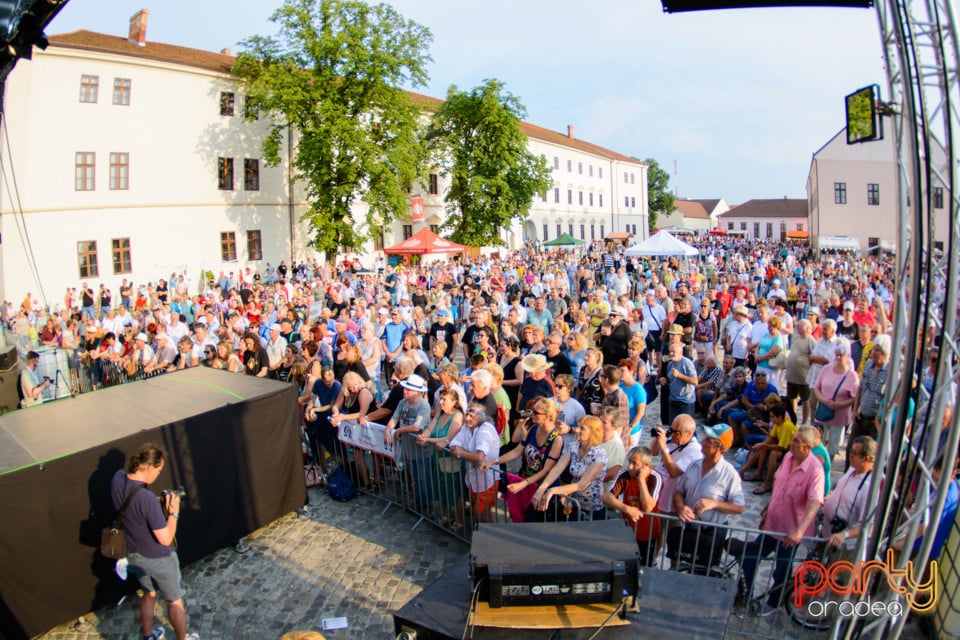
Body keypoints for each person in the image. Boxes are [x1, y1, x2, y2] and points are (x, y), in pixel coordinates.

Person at [729, 426, 824, 615]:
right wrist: (768, 508)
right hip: (772, 524)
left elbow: (815, 502)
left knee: (782, 569)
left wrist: (800, 530)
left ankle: (775, 602)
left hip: (790, 531)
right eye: (793, 439)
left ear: (808, 447)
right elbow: (779, 484)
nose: (792, 444)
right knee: (750, 557)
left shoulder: (815, 470)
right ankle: (744, 595)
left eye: (797, 441)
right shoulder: (788, 458)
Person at [111, 443, 200, 640]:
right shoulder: (147, 499)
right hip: (158, 559)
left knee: (149, 594)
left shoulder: (117, 478)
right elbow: (166, 538)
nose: (158, 475)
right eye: (159, 470)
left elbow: (132, 508)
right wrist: (174, 511)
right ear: (150, 467)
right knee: (175, 602)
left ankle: (148, 635)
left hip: (132, 555)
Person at [668, 424, 745, 572]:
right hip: (690, 529)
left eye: (709, 441)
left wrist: (714, 503)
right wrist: (680, 506)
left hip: (711, 533)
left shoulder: (729, 474)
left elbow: (739, 507)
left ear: (719, 448)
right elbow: (679, 491)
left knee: (704, 573)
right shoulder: (694, 465)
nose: (702, 442)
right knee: (681, 567)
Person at [534, 415, 608, 520]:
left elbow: (581, 485)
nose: (577, 430)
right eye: (578, 427)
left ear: (593, 432)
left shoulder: (599, 454)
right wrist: (542, 488)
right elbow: (557, 469)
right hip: (574, 503)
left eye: (582, 428)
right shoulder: (573, 446)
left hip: (592, 508)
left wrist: (553, 490)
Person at [604, 446, 662, 565]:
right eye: (629, 461)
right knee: (626, 565)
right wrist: (627, 509)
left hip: (648, 533)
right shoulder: (625, 475)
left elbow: (648, 507)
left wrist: (641, 480)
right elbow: (606, 497)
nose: (630, 467)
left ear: (645, 465)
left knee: (645, 566)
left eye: (634, 463)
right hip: (628, 532)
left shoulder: (654, 478)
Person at [822, 436, 876, 552]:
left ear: (865, 458)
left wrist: (845, 535)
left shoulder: (869, 488)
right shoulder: (852, 470)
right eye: (850, 450)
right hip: (827, 535)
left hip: (844, 547)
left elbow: (867, 525)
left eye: (854, 453)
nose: (849, 455)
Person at [449, 404, 500, 524]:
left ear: (481, 417)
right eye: (467, 415)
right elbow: (453, 444)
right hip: (473, 478)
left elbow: (479, 456)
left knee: (480, 514)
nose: (467, 418)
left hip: (488, 480)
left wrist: (461, 454)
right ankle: (487, 534)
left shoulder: (485, 430)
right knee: (483, 513)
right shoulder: (467, 427)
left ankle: (487, 537)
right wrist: (469, 455)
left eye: (472, 416)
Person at [812, 338, 860, 462]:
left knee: (834, 443)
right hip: (824, 409)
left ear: (847, 357)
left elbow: (854, 397)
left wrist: (838, 404)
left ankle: (828, 462)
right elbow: (816, 388)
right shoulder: (826, 369)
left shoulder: (851, 375)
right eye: (837, 355)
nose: (838, 358)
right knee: (819, 439)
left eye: (841, 356)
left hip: (840, 414)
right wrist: (824, 400)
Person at [651, 414, 703, 519]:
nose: (673, 435)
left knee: (665, 532)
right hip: (657, 495)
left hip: (670, 503)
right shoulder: (673, 440)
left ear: (689, 433)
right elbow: (653, 452)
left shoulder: (695, 450)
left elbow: (674, 472)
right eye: (672, 430)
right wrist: (658, 439)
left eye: (677, 433)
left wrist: (664, 447)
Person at [659, 341, 698, 424]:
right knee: (673, 427)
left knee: (686, 428)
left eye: (674, 351)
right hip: (673, 399)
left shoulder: (687, 363)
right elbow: (672, 381)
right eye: (670, 352)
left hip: (686, 401)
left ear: (681, 352)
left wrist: (680, 375)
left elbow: (695, 381)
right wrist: (664, 381)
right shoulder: (670, 364)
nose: (671, 353)